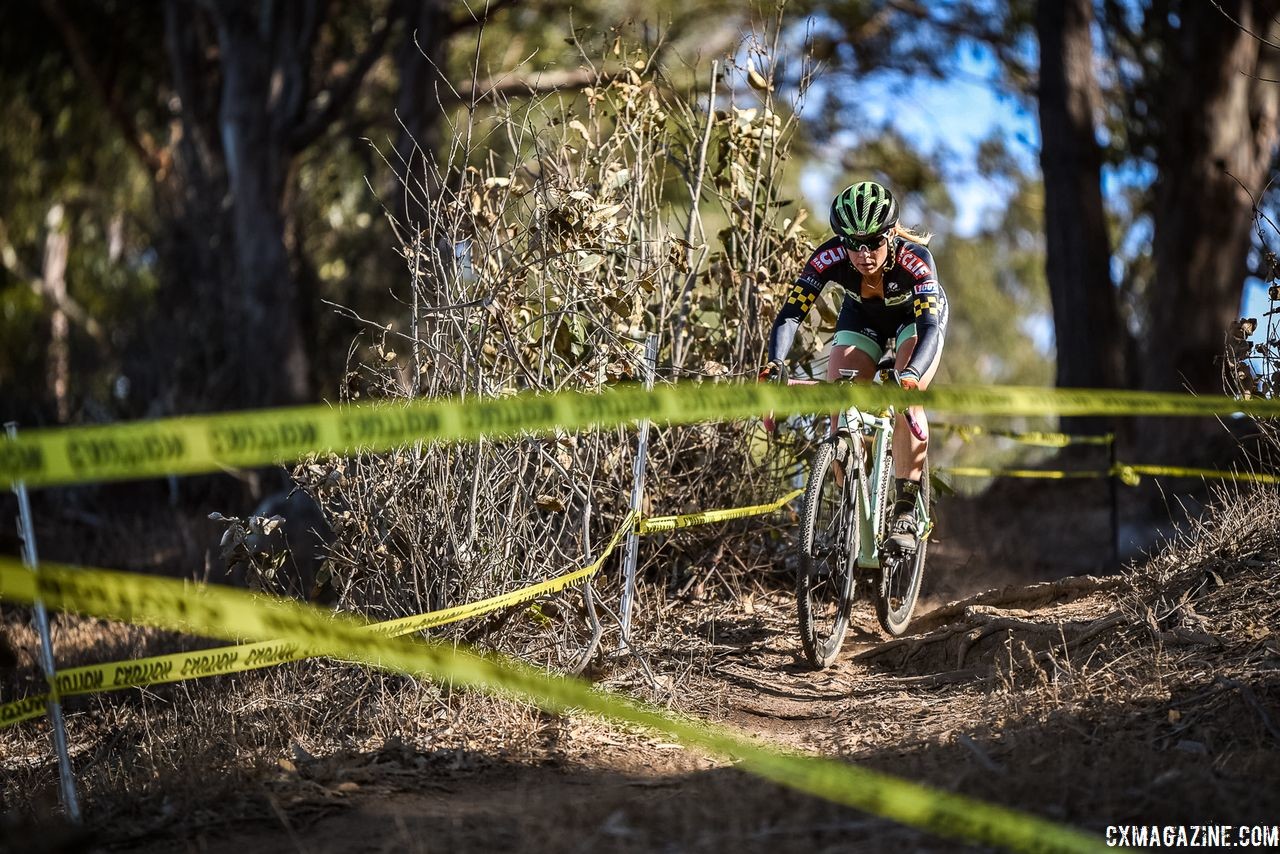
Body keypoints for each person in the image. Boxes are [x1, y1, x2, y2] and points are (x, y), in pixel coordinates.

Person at [761, 180, 949, 553]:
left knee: (907, 398)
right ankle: (851, 513)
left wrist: (909, 377)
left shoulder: (915, 260)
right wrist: (773, 366)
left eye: (874, 242)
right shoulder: (828, 257)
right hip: (861, 318)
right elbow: (790, 315)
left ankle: (907, 510)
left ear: (890, 234)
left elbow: (928, 328)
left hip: (916, 319)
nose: (863, 254)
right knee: (840, 407)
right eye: (853, 244)